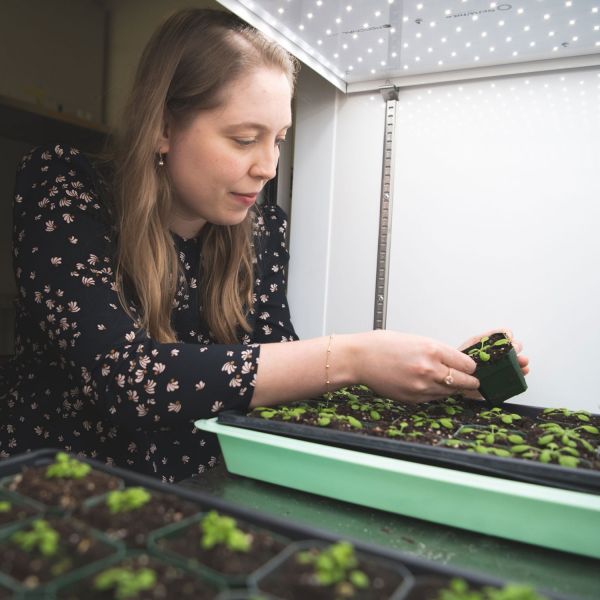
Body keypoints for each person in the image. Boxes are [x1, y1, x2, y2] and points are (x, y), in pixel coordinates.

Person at [0, 9, 528, 482]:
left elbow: (277, 371)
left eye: (278, 138)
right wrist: (354, 355)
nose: (268, 167)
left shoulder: (261, 226)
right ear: (163, 128)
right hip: (64, 492)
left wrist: (435, 374)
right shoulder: (65, 187)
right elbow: (130, 378)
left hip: (204, 490)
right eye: (244, 139)